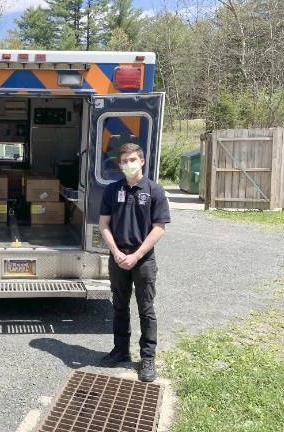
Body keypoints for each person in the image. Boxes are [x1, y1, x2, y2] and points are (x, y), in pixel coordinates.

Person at [98, 143, 171, 382]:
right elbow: (103, 225)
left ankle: (147, 357)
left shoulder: (154, 191)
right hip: (118, 257)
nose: (128, 164)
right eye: (124, 161)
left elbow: (158, 228)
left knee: (146, 309)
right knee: (119, 306)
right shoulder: (111, 191)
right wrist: (116, 252)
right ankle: (120, 351)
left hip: (143, 260)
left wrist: (136, 255)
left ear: (141, 162)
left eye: (132, 160)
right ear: (119, 165)